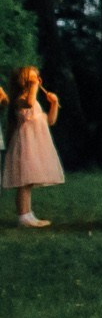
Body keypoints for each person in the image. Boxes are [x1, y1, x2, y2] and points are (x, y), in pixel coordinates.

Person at [4, 65, 63, 228]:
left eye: (36, 77)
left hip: (35, 143)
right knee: (24, 181)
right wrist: (34, 86)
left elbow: (50, 121)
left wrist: (54, 104)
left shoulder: (35, 101)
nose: (36, 80)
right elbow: (29, 103)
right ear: (23, 81)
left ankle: (29, 213)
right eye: (32, 78)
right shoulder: (20, 100)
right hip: (25, 144)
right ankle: (23, 216)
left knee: (29, 182)